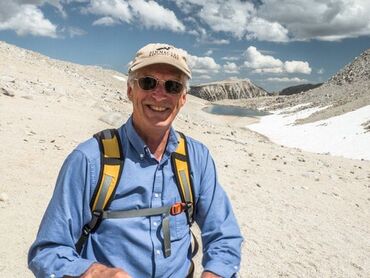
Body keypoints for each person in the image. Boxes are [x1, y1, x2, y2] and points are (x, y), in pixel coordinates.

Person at [28, 43, 243, 278]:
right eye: (148, 82)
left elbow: (224, 235)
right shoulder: (90, 160)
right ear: (130, 90)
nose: (159, 95)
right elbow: (47, 251)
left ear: (182, 98)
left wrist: (215, 273)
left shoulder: (197, 158)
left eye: (172, 86)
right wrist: (96, 273)